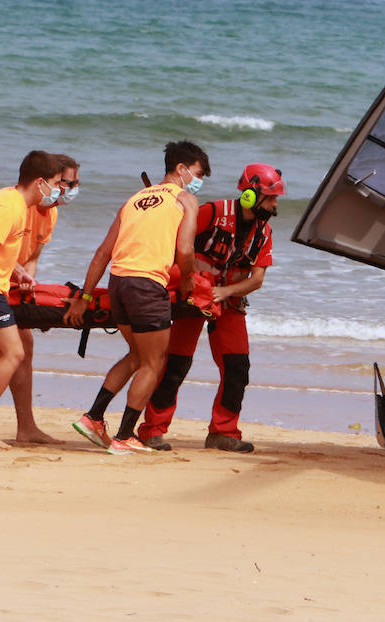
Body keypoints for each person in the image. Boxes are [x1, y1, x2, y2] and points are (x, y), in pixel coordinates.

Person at [66, 141, 208, 454]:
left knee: (137, 356)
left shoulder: (134, 200)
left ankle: (93, 418)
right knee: (153, 363)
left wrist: (85, 296)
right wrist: (187, 280)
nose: (199, 183)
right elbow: (185, 251)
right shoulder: (185, 200)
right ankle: (125, 436)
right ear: (182, 169)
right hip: (146, 286)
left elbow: (103, 252)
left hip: (119, 283)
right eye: (198, 174)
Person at [138, 163, 285, 453]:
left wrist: (223, 292)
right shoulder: (212, 212)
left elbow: (257, 280)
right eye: (270, 197)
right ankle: (152, 430)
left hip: (227, 301)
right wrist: (194, 283)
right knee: (176, 364)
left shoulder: (264, 232)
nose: (275, 204)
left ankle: (223, 432)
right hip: (192, 295)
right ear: (249, 196)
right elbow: (176, 242)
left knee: (237, 368)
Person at [0, 153, 79, 445]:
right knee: (11, 353)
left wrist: (19, 273)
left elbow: (7, 253)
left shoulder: (22, 205)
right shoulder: (10, 206)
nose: (63, 190)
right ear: (41, 182)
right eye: (59, 184)